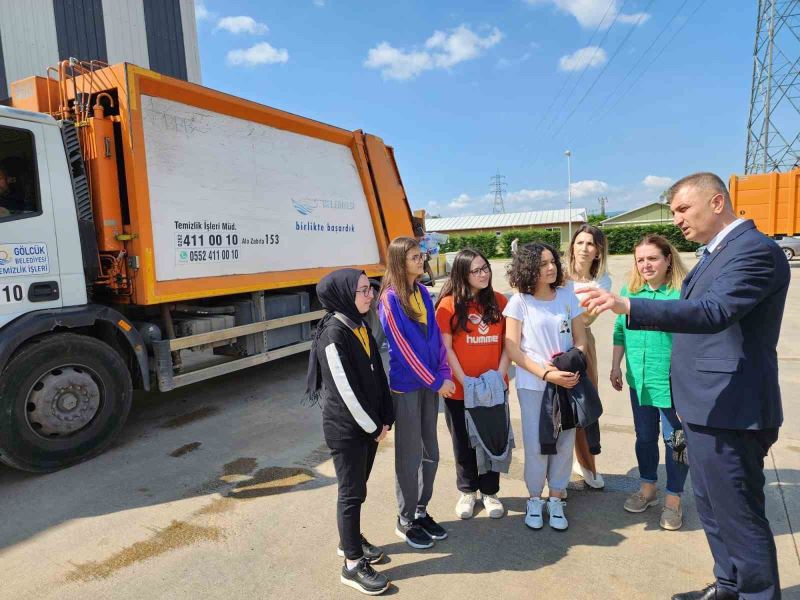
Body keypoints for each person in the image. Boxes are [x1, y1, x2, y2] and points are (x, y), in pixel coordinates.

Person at [580, 172, 789, 600]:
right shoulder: (715, 254)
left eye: (682, 209)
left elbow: (712, 313)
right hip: (701, 406)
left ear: (716, 203)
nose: (676, 219)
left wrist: (629, 305)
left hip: (731, 407)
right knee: (712, 508)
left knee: (739, 516)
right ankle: (729, 585)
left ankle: (755, 593)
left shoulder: (755, 251)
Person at [305, 269, 395, 595]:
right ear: (344, 295)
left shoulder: (359, 325)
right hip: (347, 430)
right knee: (351, 493)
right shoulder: (333, 335)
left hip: (368, 428)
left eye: (369, 288)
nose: (370, 294)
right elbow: (346, 392)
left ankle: (350, 540)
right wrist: (373, 427)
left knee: (358, 488)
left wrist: (387, 416)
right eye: (362, 290)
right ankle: (352, 565)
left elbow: (377, 376)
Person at [503, 242, 587, 531]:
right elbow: (513, 350)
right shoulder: (519, 303)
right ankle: (535, 498)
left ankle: (556, 497)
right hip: (533, 384)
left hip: (567, 381)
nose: (550, 268)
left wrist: (570, 364)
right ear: (528, 269)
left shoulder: (566, 296)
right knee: (538, 443)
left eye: (552, 261)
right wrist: (545, 374)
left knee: (564, 442)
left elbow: (580, 338)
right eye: (542, 264)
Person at [379, 237, 455, 549]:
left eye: (420, 255)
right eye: (414, 257)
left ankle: (421, 510)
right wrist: (435, 381)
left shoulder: (423, 292)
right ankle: (405, 517)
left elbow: (436, 338)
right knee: (409, 455)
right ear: (399, 261)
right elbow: (403, 349)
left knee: (431, 452)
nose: (420, 261)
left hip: (430, 384)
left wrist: (444, 372)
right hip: (408, 387)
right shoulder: (389, 300)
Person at [610, 235, 689, 530]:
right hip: (638, 381)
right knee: (644, 437)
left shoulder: (681, 294)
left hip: (671, 384)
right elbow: (620, 330)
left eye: (652, 258)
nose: (646, 265)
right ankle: (648, 489)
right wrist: (616, 365)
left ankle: (674, 500)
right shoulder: (629, 292)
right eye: (640, 259)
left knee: (676, 442)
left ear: (668, 259)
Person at [434, 248, 510, 520]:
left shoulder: (501, 302)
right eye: (476, 270)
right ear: (462, 275)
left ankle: (490, 492)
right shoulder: (448, 305)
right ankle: (468, 490)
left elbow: (508, 345)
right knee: (463, 442)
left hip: (493, 389)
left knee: (493, 440)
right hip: (460, 389)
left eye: (485, 268)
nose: (483, 274)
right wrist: (464, 381)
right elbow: (447, 348)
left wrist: (498, 377)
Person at [565, 224, 611, 490]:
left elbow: (586, 316)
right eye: (580, 242)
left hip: (583, 343)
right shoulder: (557, 272)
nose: (584, 248)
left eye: (590, 244)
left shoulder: (602, 281)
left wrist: (563, 303)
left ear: (598, 251)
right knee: (555, 408)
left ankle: (587, 464)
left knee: (586, 403)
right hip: (553, 342)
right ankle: (558, 469)